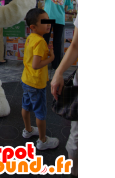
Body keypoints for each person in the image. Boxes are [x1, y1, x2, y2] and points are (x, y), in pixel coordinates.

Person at [21, 8, 59, 150]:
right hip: (36, 83)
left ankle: (28, 130)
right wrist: (51, 58)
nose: (49, 23)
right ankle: (43, 141)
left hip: (26, 80)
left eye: (48, 19)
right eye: (45, 21)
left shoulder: (31, 38)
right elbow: (36, 65)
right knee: (40, 112)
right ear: (33, 27)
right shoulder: (41, 42)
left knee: (26, 106)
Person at [51, 14, 78, 177]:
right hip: (58, 20)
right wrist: (58, 72)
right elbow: (76, 45)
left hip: (57, 20)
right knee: (77, 138)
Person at [36, 0, 73, 71]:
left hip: (47, 18)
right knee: (57, 42)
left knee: (44, 40)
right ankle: (56, 65)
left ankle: (41, 63)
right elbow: (66, 8)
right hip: (60, 19)